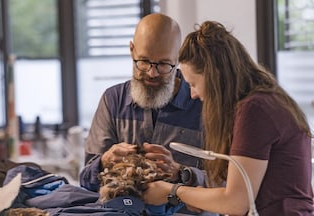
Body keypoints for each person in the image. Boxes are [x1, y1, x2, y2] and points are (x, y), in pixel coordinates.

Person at [142, 20, 314, 215]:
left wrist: (171, 191)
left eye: (194, 84)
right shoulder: (264, 101)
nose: (193, 95)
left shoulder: (255, 110)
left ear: (215, 76)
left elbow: (236, 202)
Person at [79, 13, 216, 215]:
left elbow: (228, 186)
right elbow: (85, 181)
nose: (152, 73)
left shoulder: (205, 105)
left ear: (178, 57)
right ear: (131, 50)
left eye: (163, 64)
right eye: (143, 61)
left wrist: (182, 173)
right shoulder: (113, 100)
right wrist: (104, 161)